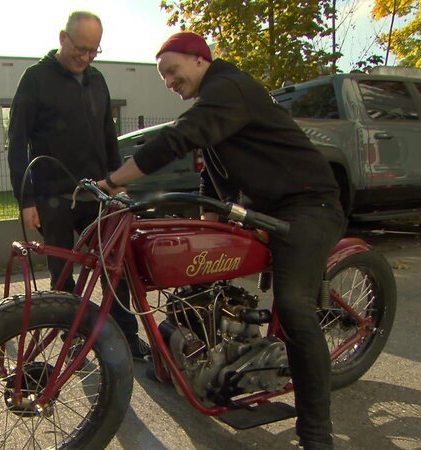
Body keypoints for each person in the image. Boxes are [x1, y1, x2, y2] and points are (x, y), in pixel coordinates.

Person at [99, 32, 345, 450]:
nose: (169, 82)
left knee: (295, 309)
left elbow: (180, 137)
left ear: (199, 60)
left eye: (172, 72)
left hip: (309, 206)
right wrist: (206, 224)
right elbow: (211, 170)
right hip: (265, 206)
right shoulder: (216, 104)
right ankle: (205, 359)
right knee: (201, 277)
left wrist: (112, 181)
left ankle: (316, 434)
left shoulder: (229, 88)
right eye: (163, 78)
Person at [7, 11, 150, 360]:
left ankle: (126, 335)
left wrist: (118, 181)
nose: (85, 58)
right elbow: (17, 142)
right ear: (62, 38)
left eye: (93, 51)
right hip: (52, 197)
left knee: (114, 268)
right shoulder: (35, 79)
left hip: (98, 193)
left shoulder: (97, 80)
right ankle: (72, 338)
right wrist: (26, 200)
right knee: (62, 274)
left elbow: (107, 136)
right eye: (80, 49)